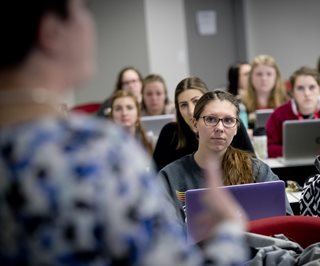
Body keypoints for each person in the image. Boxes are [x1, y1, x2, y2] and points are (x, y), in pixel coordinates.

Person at [0, 1, 249, 265]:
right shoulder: (95, 152)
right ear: (50, 32)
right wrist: (228, 231)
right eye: (83, 9)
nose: (89, 23)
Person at [158, 90, 293, 225]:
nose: (220, 128)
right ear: (194, 124)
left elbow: (285, 222)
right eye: (211, 119)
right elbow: (161, 233)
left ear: (236, 128)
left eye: (228, 120)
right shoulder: (170, 177)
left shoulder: (257, 171)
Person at [153, 76, 255, 171]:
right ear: (178, 109)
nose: (191, 111)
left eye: (196, 101)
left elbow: (252, 167)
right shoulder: (170, 133)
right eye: (183, 105)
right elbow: (155, 176)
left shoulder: (230, 125)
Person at [267, 66, 320, 158]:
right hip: (291, 166)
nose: (307, 93)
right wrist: (294, 151)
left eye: (312, 87)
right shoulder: (279, 114)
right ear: (292, 92)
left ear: (319, 89)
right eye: (300, 88)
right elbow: (267, 147)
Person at [242, 54, 289, 130]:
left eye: (269, 74)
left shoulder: (287, 102)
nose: (264, 78)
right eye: (259, 74)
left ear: (276, 77)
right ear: (251, 77)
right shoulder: (240, 104)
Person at [109, 90, 153, 155]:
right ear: (112, 115)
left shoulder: (150, 141)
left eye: (129, 108)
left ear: (138, 113)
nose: (124, 113)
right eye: (118, 109)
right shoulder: (104, 146)